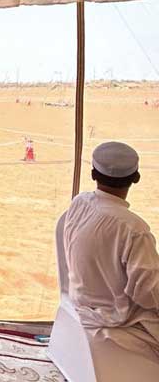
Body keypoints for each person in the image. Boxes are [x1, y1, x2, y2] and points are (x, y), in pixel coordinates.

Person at [63, 141, 159, 361]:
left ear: (93, 173)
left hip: (81, 300)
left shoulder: (79, 203)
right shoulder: (134, 229)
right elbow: (147, 294)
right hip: (115, 316)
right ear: (136, 178)